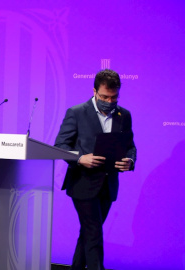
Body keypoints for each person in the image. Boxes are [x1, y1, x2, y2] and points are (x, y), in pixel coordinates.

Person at [54, 69, 136, 270]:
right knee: (94, 234)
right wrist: (81, 158)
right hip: (83, 183)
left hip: (108, 186)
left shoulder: (123, 115)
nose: (109, 100)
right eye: (104, 96)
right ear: (94, 91)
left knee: (89, 233)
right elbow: (60, 146)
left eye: (114, 96)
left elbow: (130, 146)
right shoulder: (76, 112)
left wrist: (130, 161)